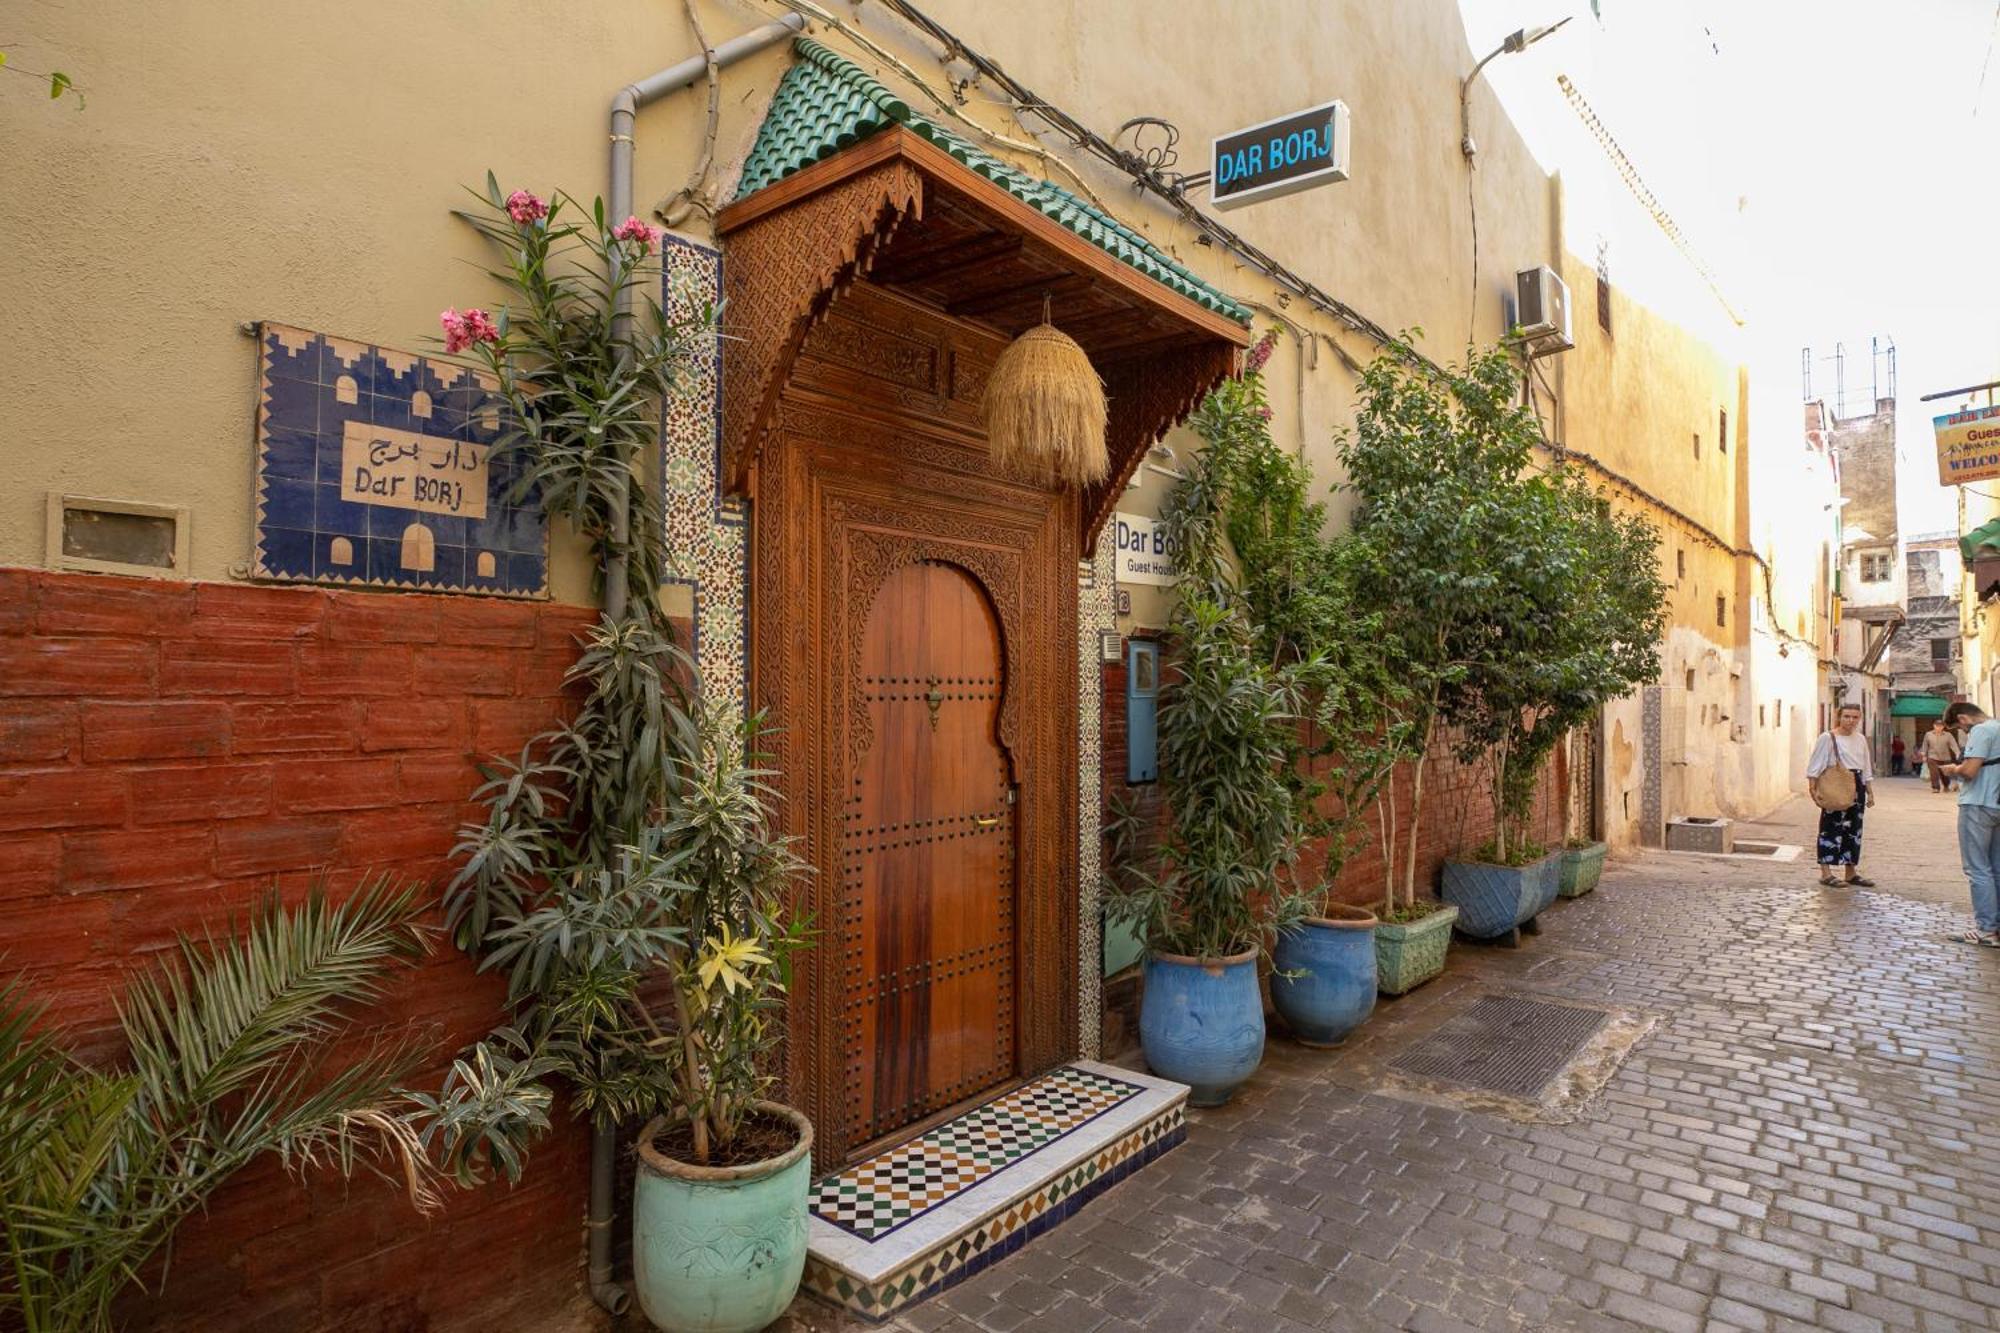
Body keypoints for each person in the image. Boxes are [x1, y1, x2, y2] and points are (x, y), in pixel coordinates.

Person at [1941, 704, 2000, 947]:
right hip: (1997, 803)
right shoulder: (1998, 726)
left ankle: (1986, 929)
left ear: (1963, 718)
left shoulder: (1981, 731)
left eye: (1960, 728)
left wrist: (1952, 769)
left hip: (1978, 803)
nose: (1963, 732)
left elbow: (1970, 770)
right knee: (1996, 868)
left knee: (1977, 869)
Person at [1807, 703, 1875, 888]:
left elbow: (1866, 764)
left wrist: (1869, 790)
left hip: (1857, 784)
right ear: (1839, 717)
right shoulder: (1827, 738)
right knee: (1830, 827)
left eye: (1855, 717)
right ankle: (1826, 872)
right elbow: (1815, 764)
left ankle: (1850, 872)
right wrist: (1813, 789)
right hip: (1835, 784)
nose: (1851, 721)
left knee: (1854, 830)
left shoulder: (1860, 739)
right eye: (1847, 716)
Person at [1921, 717, 1961, 793]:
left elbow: (1953, 745)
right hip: (1932, 757)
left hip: (1945, 758)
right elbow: (1925, 745)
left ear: (1943, 727)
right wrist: (1924, 755)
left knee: (1945, 774)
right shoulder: (1928, 734)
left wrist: (1957, 753)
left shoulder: (1948, 735)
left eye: (1940, 726)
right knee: (1934, 773)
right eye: (1937, 725)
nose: (1939, 727)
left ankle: (1946, 786)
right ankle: (1935, 788)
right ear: (1934, 726)